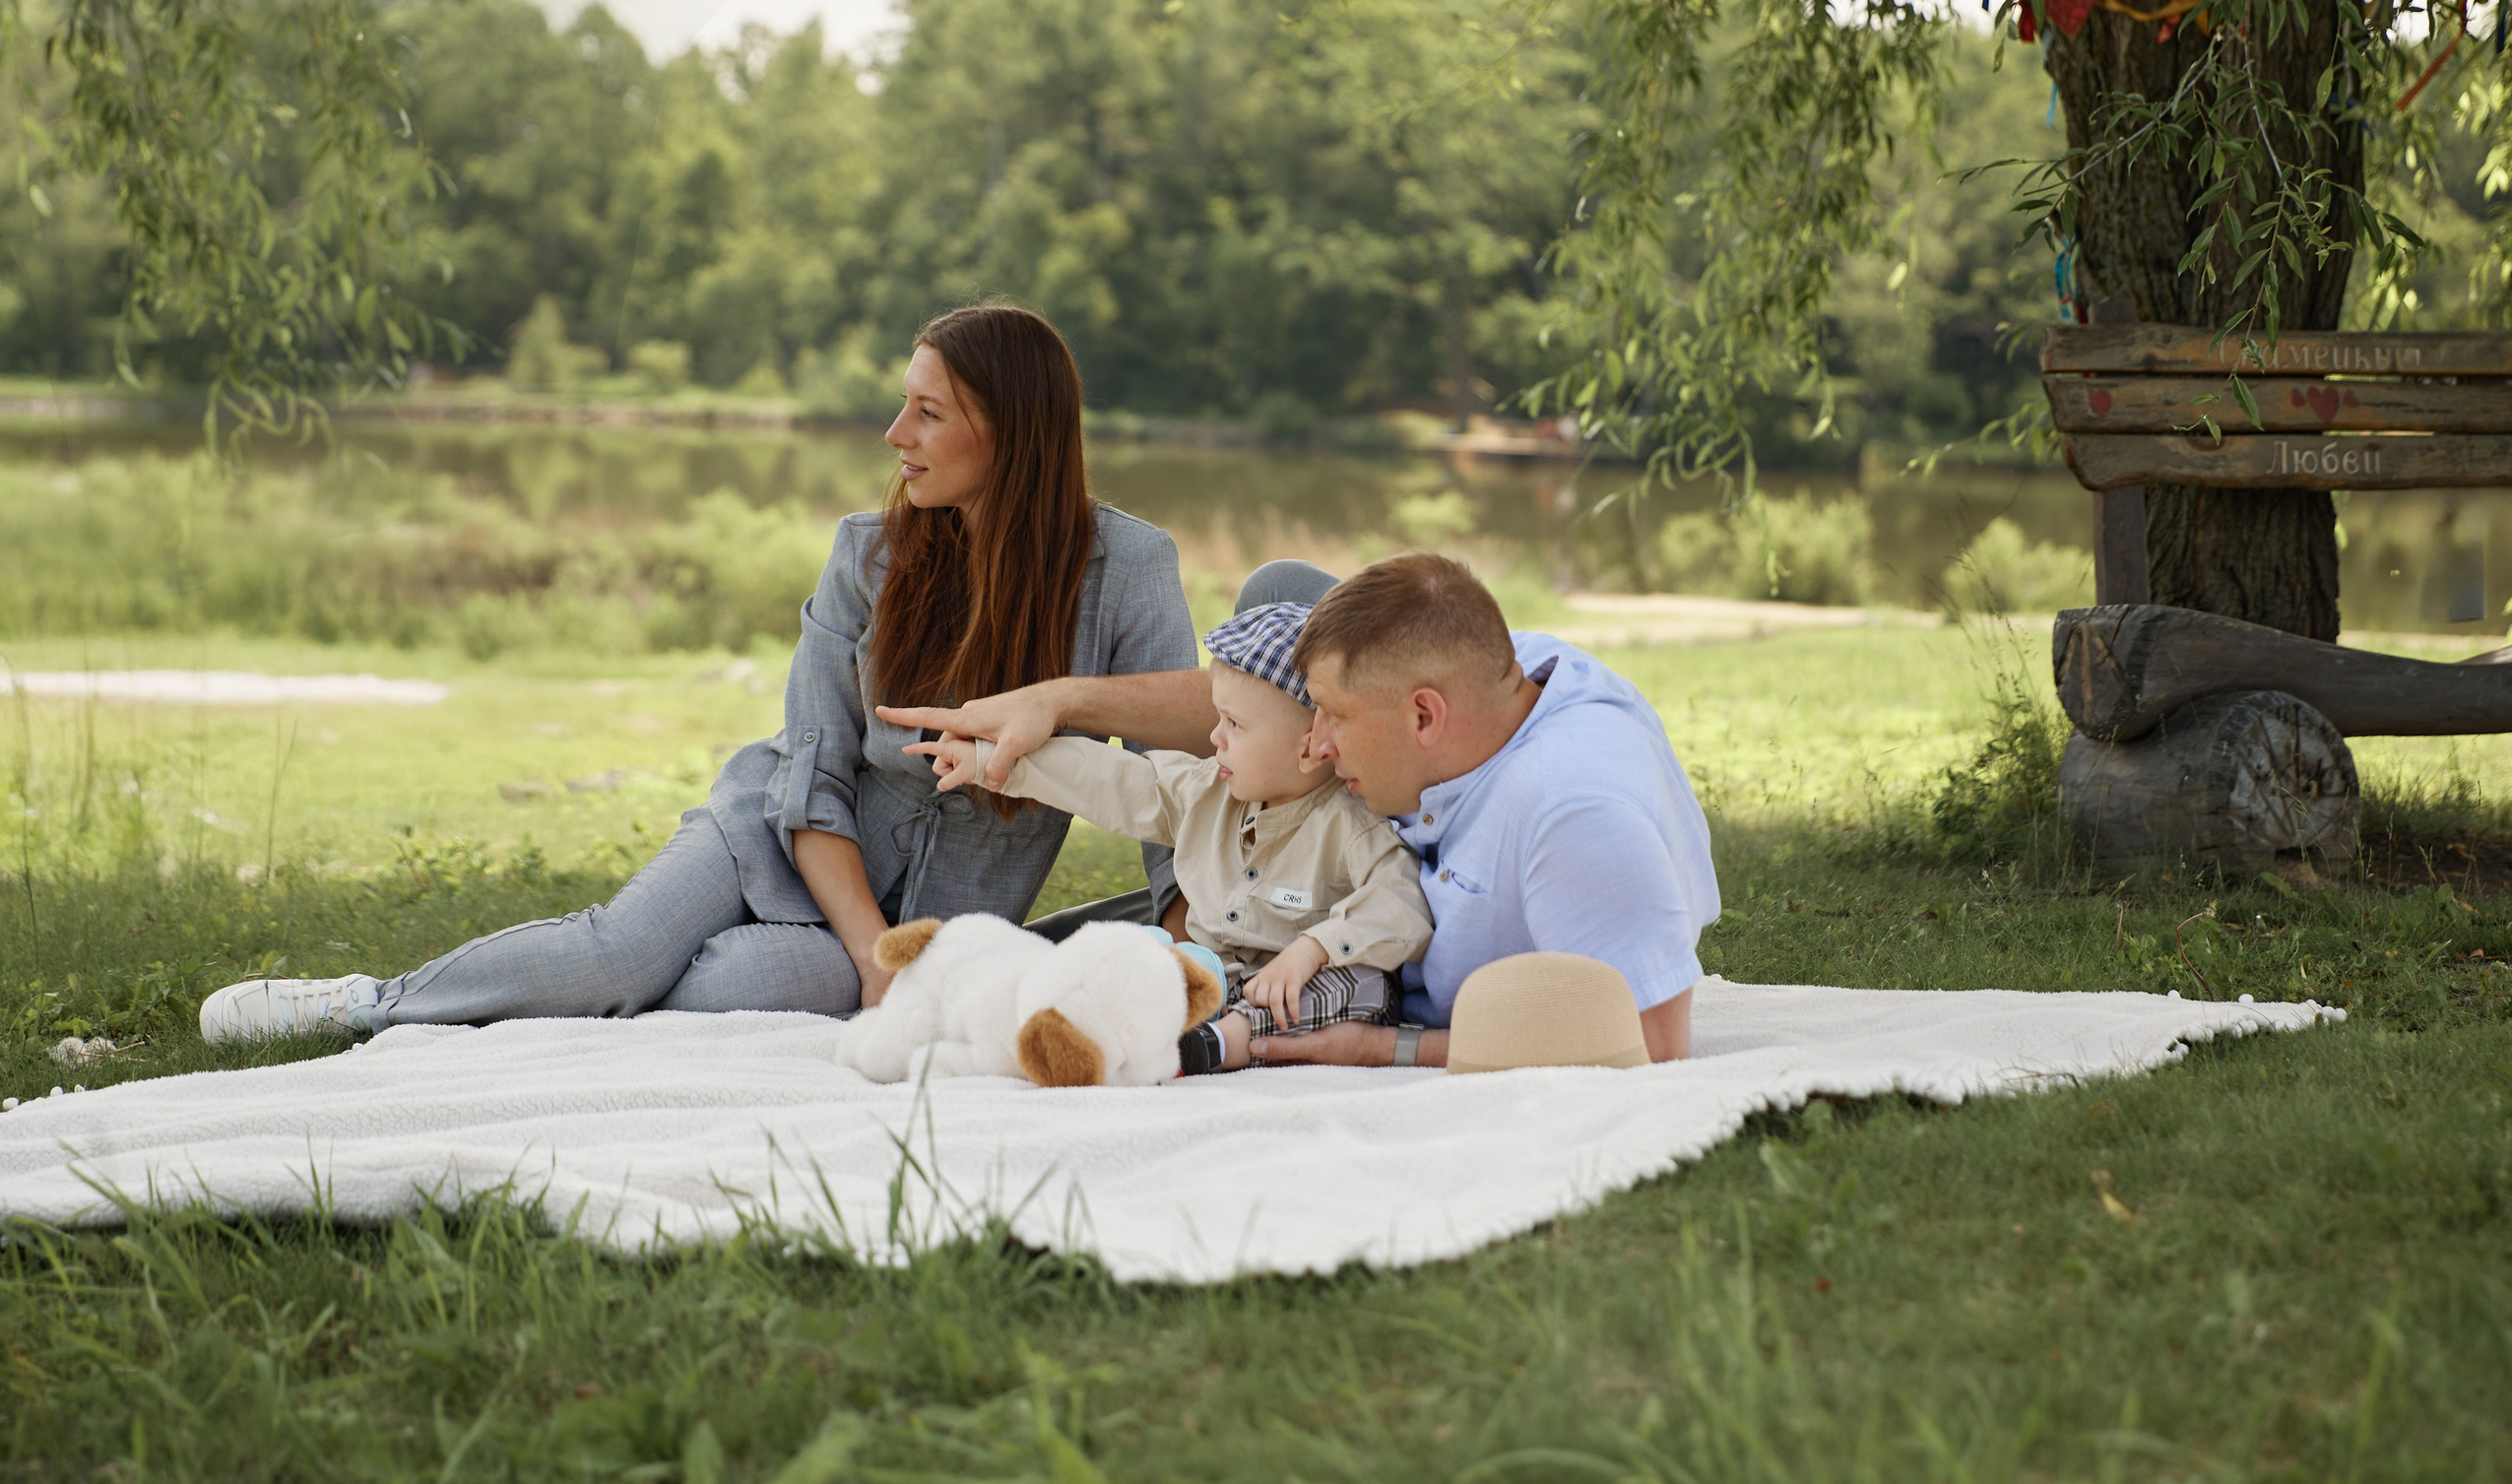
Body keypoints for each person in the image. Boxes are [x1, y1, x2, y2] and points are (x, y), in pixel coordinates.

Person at [197, 305, 1197, 1041]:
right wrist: (867, 955)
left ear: (1009, 433)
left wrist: (1186, 949)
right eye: (904, 407)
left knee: (750, 983)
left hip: (933, 921)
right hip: (777, 832)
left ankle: (549, 1006)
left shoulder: (1128, 570)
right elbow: (810, 772)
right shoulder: (867, 556)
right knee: (618, 953)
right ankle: (372, 1002)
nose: (896, 440)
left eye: (927, 414)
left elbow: (1182, 765)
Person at [880, 551, 1720, 1068]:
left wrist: (1386, 1049)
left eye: (1334, 718)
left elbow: (1654, 1045)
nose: (1316, 742)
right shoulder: (1503, 670)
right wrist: (1054, 706)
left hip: (1335, 958)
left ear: (1423, 716)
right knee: (1281, 592)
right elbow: (1252, 718)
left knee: (1086, 981)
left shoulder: (1574, 816)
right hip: (1271, 896)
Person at [909, 602, 1433, 1074]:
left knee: (1361, 983)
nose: (1213, 738)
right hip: (1203, 981)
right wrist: (991, 761)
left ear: (1310, 749)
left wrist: (1314, 948)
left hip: (1293, 996)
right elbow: (1113, 779)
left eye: (1234, 724)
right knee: (1123, 954)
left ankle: (1217, 1045)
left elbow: (1402, 902)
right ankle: (1067, 1031)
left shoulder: (1352, 826)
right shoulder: (1207, 790)